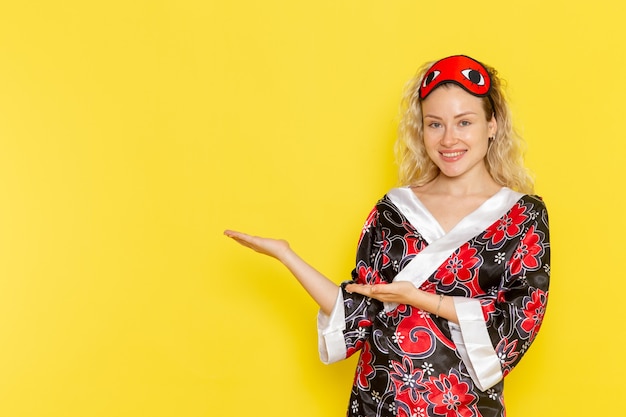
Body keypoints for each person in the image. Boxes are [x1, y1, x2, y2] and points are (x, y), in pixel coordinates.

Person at [224, 55, 550, 417]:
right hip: (380, 399)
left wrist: (420, 299)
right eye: (435, 124)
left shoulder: (522, 215)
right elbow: (358, 310)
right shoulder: (395, 209)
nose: (449, 139)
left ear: (492, 124)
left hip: (466, 405)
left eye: (464, 122)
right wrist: (287, 256)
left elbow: (518, 322)